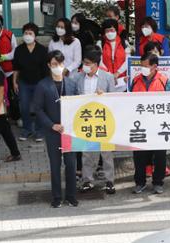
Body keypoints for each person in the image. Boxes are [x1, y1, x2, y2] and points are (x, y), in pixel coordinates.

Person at [33, 50, 78, 208]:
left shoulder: (71, 83)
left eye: (59, 64)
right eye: (54, 64)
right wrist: (52, 125)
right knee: (55, 164)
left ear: (63, 64)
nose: (57, 67)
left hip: (69, 131)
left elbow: (80, 105)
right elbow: (37, 109)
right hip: (52, 131)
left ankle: (71, 195)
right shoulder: (43, 85)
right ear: (48, 65)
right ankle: (57, 196)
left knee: (71, 164)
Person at [74, 46, 117, 194]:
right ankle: (87, 180)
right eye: (84, 63)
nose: (85, 66)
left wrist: (104, 96)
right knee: (87, 152)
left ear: (96, 64)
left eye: (88, 63)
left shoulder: (107, 77)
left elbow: (114, 99)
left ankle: (109, 181)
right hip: (86, 120)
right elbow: (73, 98)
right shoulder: (78, 78)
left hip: (104, 120)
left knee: (106, 152)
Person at [131, 54, 170, 194]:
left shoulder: (165, 81)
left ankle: (158, 182)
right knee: (139, 156)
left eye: (146, 66)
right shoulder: (135, 81)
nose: (143, 69)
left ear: (155, 67)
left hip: (159, 125)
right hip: (140, 125)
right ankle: (140, 182)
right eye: (141, 66)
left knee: (160, 155)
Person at [13, 22, 48, 142]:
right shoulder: (19, 50)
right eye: (26, 33)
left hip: (39, 83)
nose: (27, 35)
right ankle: (27, 129)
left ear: (35, 35)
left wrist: (46, 84)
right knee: (24, 107)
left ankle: (39, 131)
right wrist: (14, 82)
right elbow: (16, 68)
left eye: (30, 33)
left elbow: (45, 69)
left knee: (39, 107)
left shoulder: (42, 50)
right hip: (24, 82)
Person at [99, 18, 128, 83]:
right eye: (107, 31)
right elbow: (99, 61)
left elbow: (128, 60)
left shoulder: (124, 43)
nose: (109, 33)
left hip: (122, 79)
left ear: (116, 30)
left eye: (112, 30)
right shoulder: (100, 43)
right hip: (105, 78)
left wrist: (118, 73)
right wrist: (109, 75)